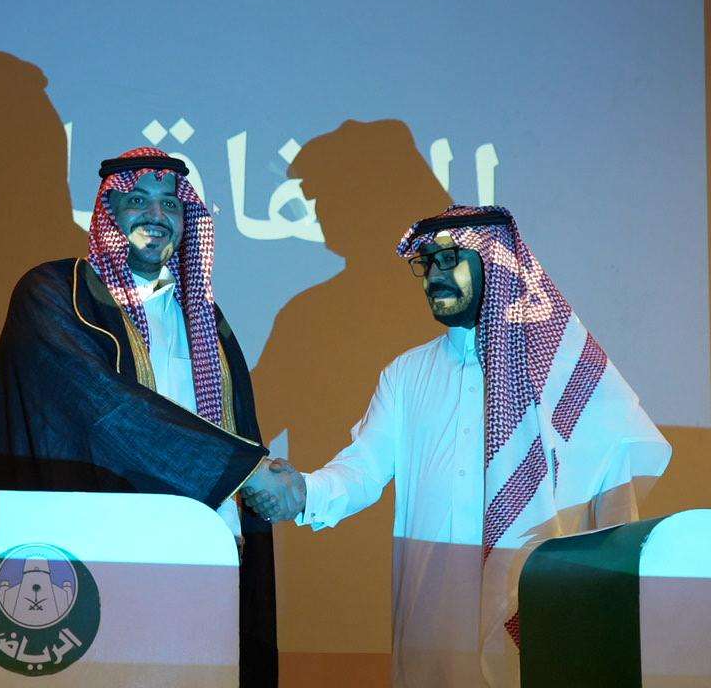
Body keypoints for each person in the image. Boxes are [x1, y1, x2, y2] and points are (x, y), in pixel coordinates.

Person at [245, 205, 671, 687]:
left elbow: (620, 464)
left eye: (450, 260)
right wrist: (303, 492)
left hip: (533, 612)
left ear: (494, 262)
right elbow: (362, 468)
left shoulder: (560, 370)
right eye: (427, 262)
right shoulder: (407, 374)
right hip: (431, 619)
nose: (434, 276)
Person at [0, 146, 301, 686]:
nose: (156, 215)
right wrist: (248, 471)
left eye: (170, 203)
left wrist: (247, 503)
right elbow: (105, 409)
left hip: (199, 557)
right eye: (137, 200)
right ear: (107, 212)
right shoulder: (57, 293)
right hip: (87, 557)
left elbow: (234, 426)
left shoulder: (204, 320)